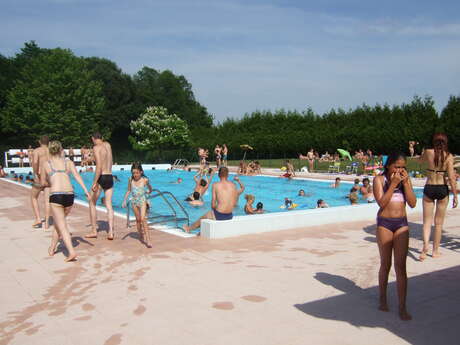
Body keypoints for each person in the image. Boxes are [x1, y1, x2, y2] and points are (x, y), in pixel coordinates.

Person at [373, 153, 416, 321]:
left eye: (403, 167)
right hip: (384, 223)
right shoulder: (379, 180)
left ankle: (402, 306)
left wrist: (405, 183)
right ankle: (383, 298)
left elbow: (412, 203)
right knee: (386, 263)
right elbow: (382, 203)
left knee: (401, 266)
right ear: (388, 166)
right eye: (397, 166)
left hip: (401, 224)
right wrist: (394, 184)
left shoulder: (406, 180)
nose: (400, 170)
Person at [40, 141, 91, 262]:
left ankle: (72, 252)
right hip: (69, 195)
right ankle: (52, 247)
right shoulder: (68, 162)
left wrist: (51, 182)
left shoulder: (46, 164)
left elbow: (42, 183)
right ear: (60, 150)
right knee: (59, 223)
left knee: (62, 226)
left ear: (50, 151)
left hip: (56, 195)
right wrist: (86, 191)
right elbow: (77, 176)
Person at [419, 133, 458, 260]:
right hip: (442, 188)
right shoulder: (449, 156)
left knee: (426, 222)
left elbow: (420, 161)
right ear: (445, 143)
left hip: (429, 187)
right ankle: (435, 251)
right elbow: (452, 177)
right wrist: (455, 195)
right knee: (439, 224)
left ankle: (425, 247)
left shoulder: (428, 152)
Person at [183, 167, 244, 232]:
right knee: (211, 214)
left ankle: (189, 229)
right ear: (228, 175)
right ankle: (201, 232)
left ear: (218, 175)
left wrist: (216, 209)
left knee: (203, 218)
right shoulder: (233, 185)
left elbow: (213, 204)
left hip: (219, 215)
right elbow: (234, 201)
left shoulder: (215, 185)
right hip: (229, 215)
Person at [86, 132, 115, 240]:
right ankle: (111, 232)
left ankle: (94, 230)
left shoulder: (96, 148)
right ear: (102, 137)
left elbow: (98, 166)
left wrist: (94, 182)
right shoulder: (108, 145)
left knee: (92, 202)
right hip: (109, 176)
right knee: (109, 205)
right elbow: (110, 161)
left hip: (101, 177)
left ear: (93, 138)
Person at [122, 162, 153, 248]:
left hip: (142, 201)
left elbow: (150, 188)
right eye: (133, 173)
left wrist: (149, 191)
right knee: (138, 220)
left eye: (137, 173)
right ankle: (140, 234)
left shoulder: (145, 180)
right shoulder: (130, 180)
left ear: (141, 172)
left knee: (143, 219)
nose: (135, 175)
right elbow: (128, 190)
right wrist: (124, 200)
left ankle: (148, 239)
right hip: (134, 202)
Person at [31, 135, 51, 229]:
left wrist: (35, 173)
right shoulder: (51, 150)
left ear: (39, 142)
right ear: (48, 142)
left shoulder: (37, 151)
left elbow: (35, 162)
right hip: (49, 176)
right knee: (47, 201)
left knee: (34, 197)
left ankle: (38, 218)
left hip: (39, 176)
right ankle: (47, 223)